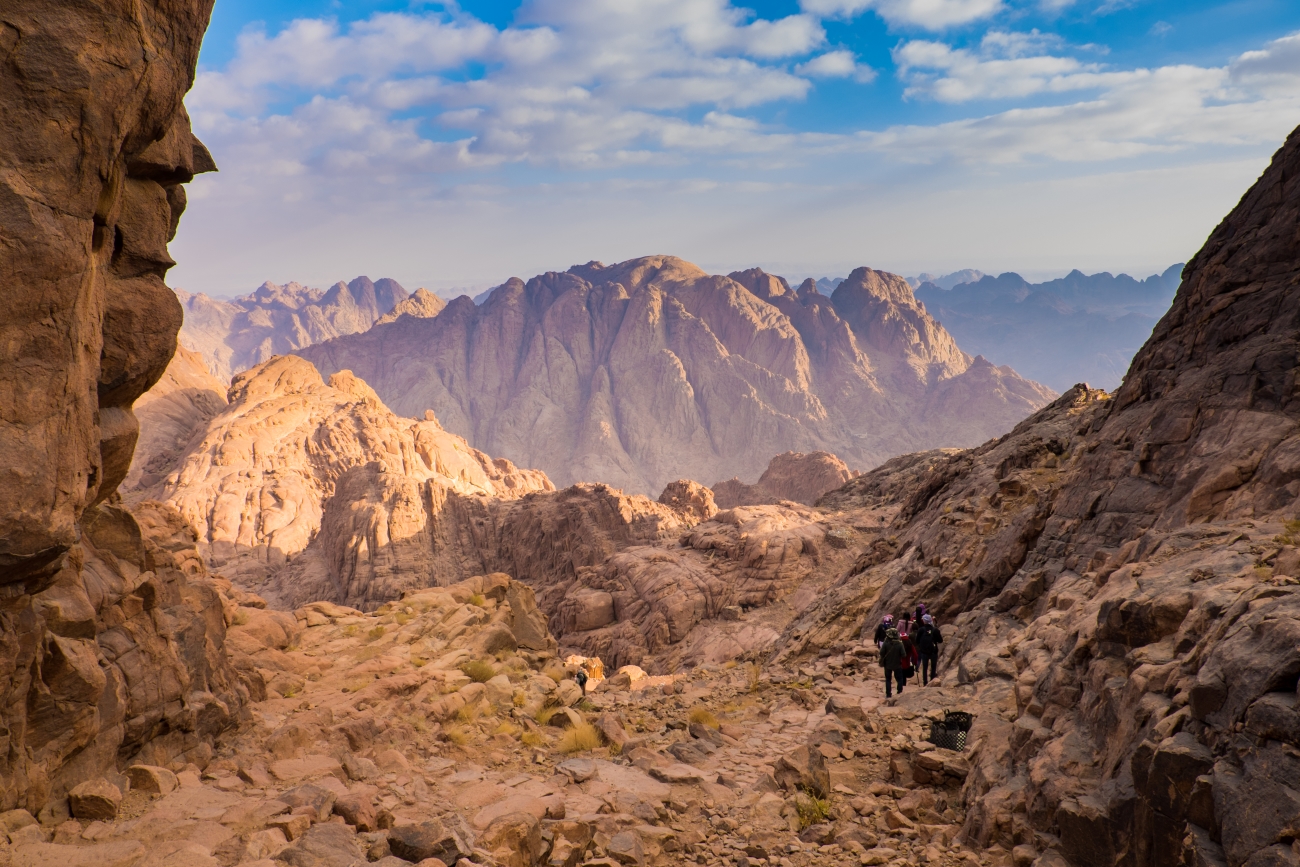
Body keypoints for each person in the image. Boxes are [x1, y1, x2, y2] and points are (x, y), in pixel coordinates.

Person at [916, 613, 943, 685]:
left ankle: (925, 683)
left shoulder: (921, 630)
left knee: (925, 668)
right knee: (933, 667)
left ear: (924, 621)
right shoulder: (935, 630)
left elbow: (917, 640)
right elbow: (940, 640)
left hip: (924, 652)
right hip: (933, 651)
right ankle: (932, 681)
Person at [880, 627, 907, 698]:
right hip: (897, 664)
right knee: (900, 678)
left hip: (888, 664)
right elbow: (904, 655)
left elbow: (881, 653)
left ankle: (888, 694)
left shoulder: (886, 643)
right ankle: (899, 692)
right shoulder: (900, 643)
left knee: (888, 679)